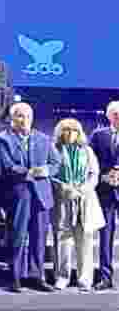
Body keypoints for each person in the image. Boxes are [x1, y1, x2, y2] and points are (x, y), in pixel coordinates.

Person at [0, 102, 60, 293]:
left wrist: (46, 170)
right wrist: (30, 172)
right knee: (17, 236)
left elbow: (56, 163)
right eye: (20, 116)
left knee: (39, 238)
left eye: (27, 117)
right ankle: (14, 276)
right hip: (17, 195)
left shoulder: (44, 138)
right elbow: (6, 165)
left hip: (41, 196)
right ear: (12, 119)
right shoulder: (2, 139)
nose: (24, 120)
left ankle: (35, 276)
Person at [51, 118, 104, 292]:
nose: (70, 133)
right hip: (63, 199)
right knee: (63, 239)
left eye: (74, 130)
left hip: (84, 199)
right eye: (66, 130)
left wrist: (83, 189)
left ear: (79, 133)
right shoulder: (54, 150)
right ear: (60, 132)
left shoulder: (87, 151)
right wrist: (63, 188)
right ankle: (62, 277)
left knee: (85, 240)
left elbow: (94, 174)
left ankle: (84, 278)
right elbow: (50, 174)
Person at [89, 100, 119, 290]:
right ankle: (105, 277)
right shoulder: (98, 135)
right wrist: (103, 177)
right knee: (105, 236)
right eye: (115, 114)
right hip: (105, 191)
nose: (118, 117)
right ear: (108, 116)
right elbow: (90, 163)